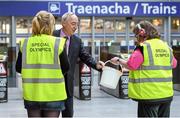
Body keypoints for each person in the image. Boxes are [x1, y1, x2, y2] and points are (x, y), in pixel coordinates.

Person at [110, 21, 177, 117]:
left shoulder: (143, 47)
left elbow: (132, 65)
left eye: (136, 36)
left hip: (149, 95)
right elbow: (174, 64)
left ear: (142, 33)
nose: (136, 39)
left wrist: (119, 60)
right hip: (166, 94)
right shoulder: (166, 46)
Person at [16, 10, 69, 117]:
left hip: (32, 94)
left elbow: (18, 68)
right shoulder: (57, 43)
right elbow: (66, 67)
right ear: (51, 25)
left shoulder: (25, 43)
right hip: (53, 94)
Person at [53, 12, 104, 117]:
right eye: (73, 23)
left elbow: (85, 56)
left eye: (77, 24)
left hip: (68, 86)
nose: (76, 27)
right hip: (52, 84)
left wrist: (96, 64)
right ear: (63, 23)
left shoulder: (77, 41)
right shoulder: (52, 36)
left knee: (68, 114)